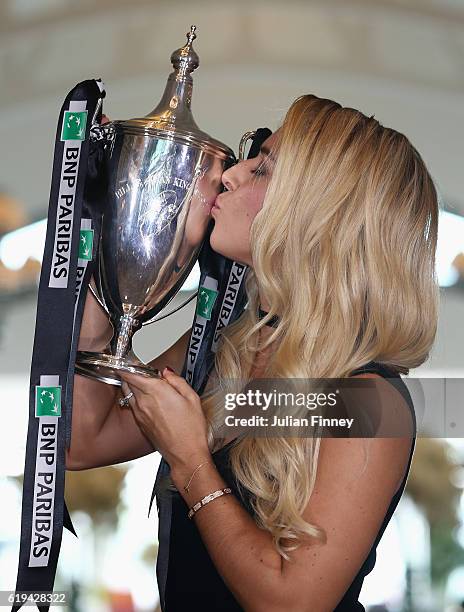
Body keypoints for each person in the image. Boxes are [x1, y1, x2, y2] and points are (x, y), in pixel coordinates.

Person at [67, 94, 439, 611]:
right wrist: (110, 258)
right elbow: (83, 442)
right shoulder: (229, 346)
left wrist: (191, 460)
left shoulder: (366, 399)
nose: (232, 174)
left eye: (264, 169)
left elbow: (291, 602)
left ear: (320, 214)